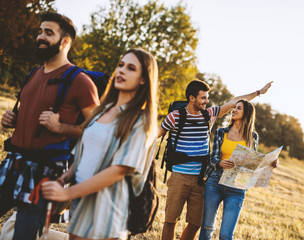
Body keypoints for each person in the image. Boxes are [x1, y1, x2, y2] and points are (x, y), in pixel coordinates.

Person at [41, 47, 159, 240]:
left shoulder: (140, 121)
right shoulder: (101, 112)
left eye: (130, 68)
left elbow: (119, 170)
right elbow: (83, 154)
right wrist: (63, 179)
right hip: (81, 203)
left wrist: (67, 193)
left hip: (109, 209)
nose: (121, 70)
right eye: (120, 65)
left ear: (143, 79)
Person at [0, 11, 99, 240]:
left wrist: (61, 128)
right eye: (39, 31)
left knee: (23, 236)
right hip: (13, 163)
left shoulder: (80, 81)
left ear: (65, 41)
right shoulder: (34, 73)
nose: (40, 37)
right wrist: (12, 120)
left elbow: (100, 130)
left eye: (48, 33)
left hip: (44, 174)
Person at [159, 80, 273, 240]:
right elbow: (156, 133)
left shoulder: (209, 114)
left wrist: (259, 92)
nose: (207, 101)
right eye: (203, 98)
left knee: (196, 223)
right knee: (171, 220)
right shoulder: (176, 116)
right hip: (179, 176)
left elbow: (234, 101)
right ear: (192, 98)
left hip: (201, 179)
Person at [198, 100, 279, 240]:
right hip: (215, 182)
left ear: (246, 113)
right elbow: (213, 158)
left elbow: (252, 163)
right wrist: (220, 163)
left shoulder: (253, 137)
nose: (233, 110)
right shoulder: (221, 132)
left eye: (238, 108)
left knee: (225, 235)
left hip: (237, 186)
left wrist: (269, 163)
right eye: (234, 107)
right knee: (207, 229)